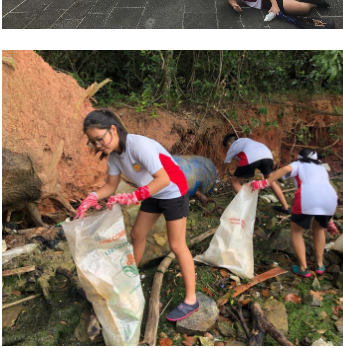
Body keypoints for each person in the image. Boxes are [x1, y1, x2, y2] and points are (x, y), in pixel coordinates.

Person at [76, 109, 198, 322]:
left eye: (99, 138)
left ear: (113, 129)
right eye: (93, 142)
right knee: (137, 234)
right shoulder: (114, 156)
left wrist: (133, 197)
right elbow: (111, 186)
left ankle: (191, 299)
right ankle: (130, 277)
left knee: (177, 245)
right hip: (152, 192)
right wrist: (91, 197)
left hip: (173, 190)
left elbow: (163, 179)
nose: (98, 145)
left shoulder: (138, 146)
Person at [260, 149, 338, 278]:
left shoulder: (299, 164)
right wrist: (330, 221)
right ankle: (319, 265)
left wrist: (264, 182)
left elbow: (285, 169)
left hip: (307, 198)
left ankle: (303, 268)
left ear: (299, 157)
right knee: (319, 229)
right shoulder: (322, 168)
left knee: (296, 231)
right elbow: (324, 189)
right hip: (330, 199)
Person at [222, 134, 289, 213]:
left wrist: (219, 175)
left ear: (229, 144)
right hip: (267, 155)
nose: (227, 149)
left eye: (226, 147)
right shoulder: (245, 140)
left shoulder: (232, 147)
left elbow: (225, 166)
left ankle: (249, 208)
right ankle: (285, 207)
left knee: (235, 182)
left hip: (251, 158)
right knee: (271, 180)